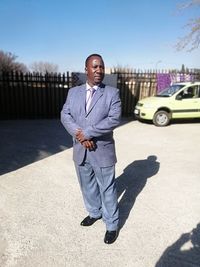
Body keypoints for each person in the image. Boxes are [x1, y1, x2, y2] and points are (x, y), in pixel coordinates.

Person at [61, 54, 121, 244]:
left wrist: (87, 133)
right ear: (86, 69)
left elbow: (113, 119)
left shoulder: (112, 93)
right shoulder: (73, 92)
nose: (99, 70)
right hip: (81, 149)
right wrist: (79, 135)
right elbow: (65, 115)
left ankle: (111, 225)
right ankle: (94, 213)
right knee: (87, 185)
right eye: (94, 67)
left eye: (101, 67)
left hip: (102, 150)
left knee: (108, 188)